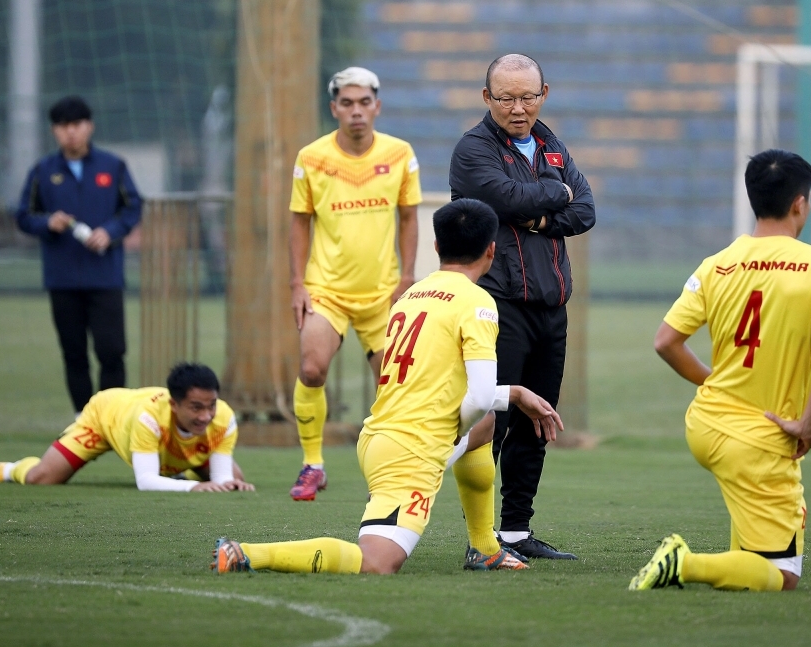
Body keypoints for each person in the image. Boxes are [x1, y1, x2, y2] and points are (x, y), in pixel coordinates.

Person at [211, 199, 562, 575]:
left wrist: (498, 404)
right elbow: (477, 395)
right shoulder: (478, 302)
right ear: (492, 250)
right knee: (376, 564)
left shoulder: (410, 296)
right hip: (410, 451)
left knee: (485, 426)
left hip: (379, 433)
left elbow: (465, 398)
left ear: (437, 248)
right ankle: (245, 553)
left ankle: (484, 548)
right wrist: (468, 426)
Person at [630, 149, 811, 592]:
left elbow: (666, 342)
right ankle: (684, 564)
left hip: (707, 423)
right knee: (783, 577)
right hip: (761, 437)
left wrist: (712, 382)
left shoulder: (717, 265)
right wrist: (808, 422)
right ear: (799, 203)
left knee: (752, 557)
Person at [447, 53, 595, 560]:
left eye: (528, 96)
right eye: (506, 97)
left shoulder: (550, 143)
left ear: (544, 94)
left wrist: (541, 215)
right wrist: (553, 195)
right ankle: (480, 540)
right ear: (487, 98)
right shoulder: (473, 149)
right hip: (497, 302)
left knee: (538, 421)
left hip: (551, 304)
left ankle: (514, 532)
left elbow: (585, 210)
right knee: (492, 419)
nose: (518, 107)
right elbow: (505, 197)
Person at [288, 67, 421, 501]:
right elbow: (299, 222)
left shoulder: (400, 153)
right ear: (334, 109)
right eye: (347, 103)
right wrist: (297, 283)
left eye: (364, 102)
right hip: (325, 290)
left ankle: (387, 468)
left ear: (377, 107)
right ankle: (313, 465)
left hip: (383, 293)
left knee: (393, 384)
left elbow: (408, 217)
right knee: (312, 368)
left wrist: (406, 276)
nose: (356, 111)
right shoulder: (312, 157)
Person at [15, 96, 142, 413]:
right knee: (74, 352)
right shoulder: (43, 172)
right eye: (63, 126)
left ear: (89, 126)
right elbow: (23, 215)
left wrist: (109, 232)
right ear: (54, 131)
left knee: (111, 350)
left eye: (76, 125)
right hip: (63, 277)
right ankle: (83, 421)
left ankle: (110, 417)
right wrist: (48, 222)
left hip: (105, 276)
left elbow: (133, 207)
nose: (70, 132)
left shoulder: (112, 166)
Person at [0, 363, 253, 492]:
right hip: (105, 417)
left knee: (236, 479)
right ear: (174, 405)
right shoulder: (148, 417)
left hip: (166, 450)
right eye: (196, 407)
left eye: (210, 405)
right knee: (42, 479)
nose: (206, 415)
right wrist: (197, 486)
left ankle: (179, 469)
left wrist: (225, 483)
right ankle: (8, 469)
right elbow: (146, 482)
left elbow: (224, 478)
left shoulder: (224, 418)